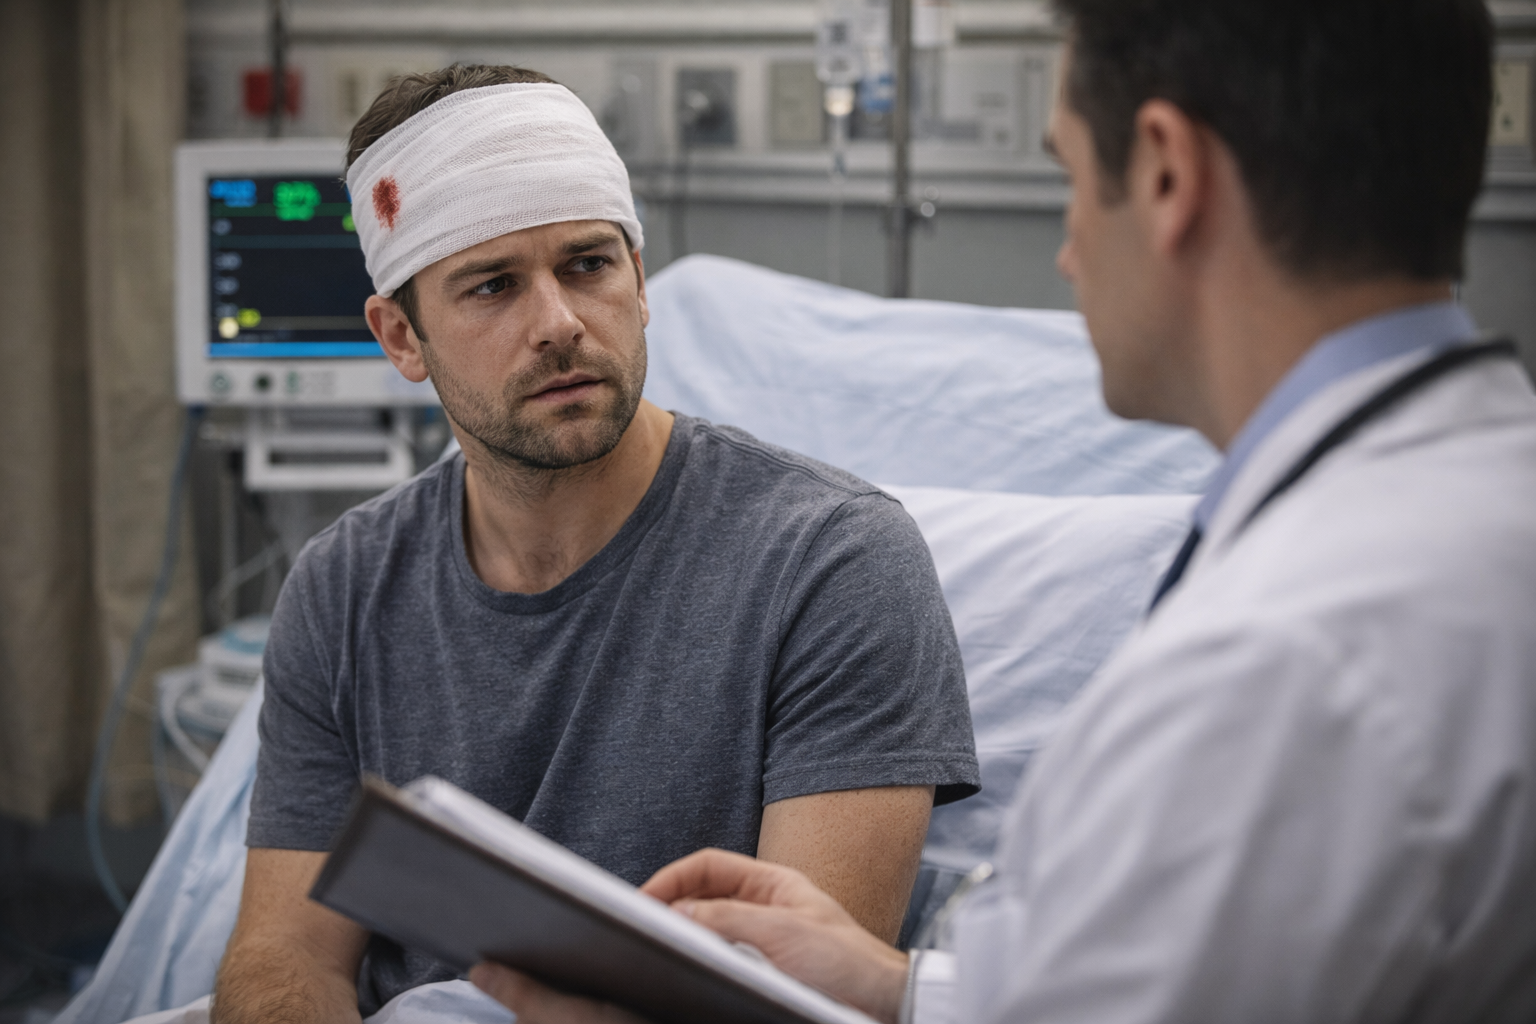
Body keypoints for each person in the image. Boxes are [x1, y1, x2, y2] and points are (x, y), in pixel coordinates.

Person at [470, 1, 1536, 1022]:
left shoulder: (1281, 658)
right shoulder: (1472, 506)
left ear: (1167, 172)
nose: (1069, 248)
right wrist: (892, 990)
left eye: (1070, 174)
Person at [209, 66, 980, 1024]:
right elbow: (285, 957)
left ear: (640, 281)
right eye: (492, 286)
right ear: (401, 337)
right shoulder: (344, 587)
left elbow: (799, 1003)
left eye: (587, 265)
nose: (561, 324)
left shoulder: (830, 565)